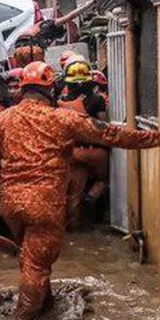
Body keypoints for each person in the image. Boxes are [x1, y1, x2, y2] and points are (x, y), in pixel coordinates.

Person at [0, 62, 160, 320]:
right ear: (50, 90)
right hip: (45, 205)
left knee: (29, 258)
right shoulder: (63, 119)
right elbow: (114, 135)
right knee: (37, 265)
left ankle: (44, 306)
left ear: (22, 90)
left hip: (11, 206)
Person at [60, 61, 111, 228]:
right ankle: (92, 196)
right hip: (96, 153)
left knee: (74, 192)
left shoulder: (62, 102)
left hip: (74, 153)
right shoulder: (97, 100)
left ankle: (74, 227)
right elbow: (103, 128)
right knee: (105, 180)